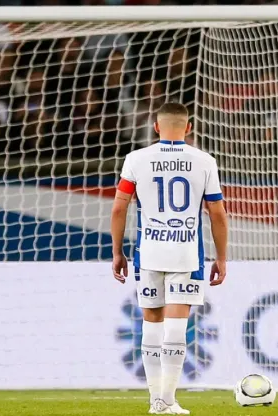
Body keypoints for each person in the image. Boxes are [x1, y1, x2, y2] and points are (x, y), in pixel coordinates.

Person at [110, 103, 229, 415]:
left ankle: (155, 401)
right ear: (188, 128)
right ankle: (167, 399)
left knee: (151, 324)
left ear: (156, 126)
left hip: (148, 253)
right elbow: (217, 212)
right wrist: (222, 258)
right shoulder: (204, 161)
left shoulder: (136, 159)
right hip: (186, 255)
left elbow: (119, 207)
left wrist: (117, 252)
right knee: (177, 327)